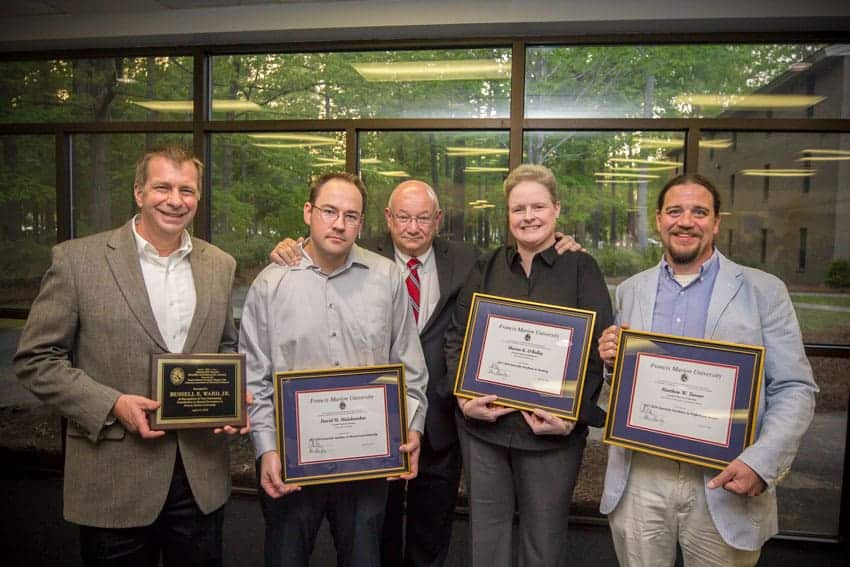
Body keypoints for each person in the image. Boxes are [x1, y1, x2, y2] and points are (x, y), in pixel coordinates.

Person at [269, 179, 583, 567]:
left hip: (438, 421)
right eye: (403, 217)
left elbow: (524, 251)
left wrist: (562, 241)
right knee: (372, 531)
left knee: (431, 532)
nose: (412, 227)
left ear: (437, 220)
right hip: (364, 427)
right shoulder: (363, 256)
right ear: (386, 218)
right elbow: (324, 245)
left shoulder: (471, 260)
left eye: (422, 218)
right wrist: (294, 245)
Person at [14, 145, 247, 566]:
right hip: (115, 477)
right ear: (139, 193)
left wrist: (231, 399)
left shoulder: (219, 265)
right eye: (162, 187)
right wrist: (112, 404)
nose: (175, 200)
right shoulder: (78, 261)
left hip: (200, 479)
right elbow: (36, 359)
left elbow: (225, 346)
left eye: (187, 190)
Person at [597, 173, 818, 566]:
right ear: (659, 220)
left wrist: (760, 462)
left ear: (716, 222)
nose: (686, 221)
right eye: (675, 211)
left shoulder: (763, 290)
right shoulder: (631, 290)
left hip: (724, 478)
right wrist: (614, 363)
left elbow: (794, 387)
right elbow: (625, 389)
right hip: (641, 480)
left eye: (699, 212)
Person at [241, 172, 429, 567]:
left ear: (362, 222)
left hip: (367, 462)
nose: (339, 223)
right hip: (291, 463)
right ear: (309, 212)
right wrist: (267, 449)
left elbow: (410, 368)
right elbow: (254, 377)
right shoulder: (270, 285)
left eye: (351, 215)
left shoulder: (386, 278)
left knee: (363, 558)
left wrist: (412, 428)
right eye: (329, 211)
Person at [443, 164, 613, 567]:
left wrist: (572, 417)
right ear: (507, 215)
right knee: (487, 543)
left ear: (556, 209)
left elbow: (598, 349)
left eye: (537, 206)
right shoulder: (486, 267)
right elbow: (457, 335)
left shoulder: (581, 268)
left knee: (544, 543)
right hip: (485, 432)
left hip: (550, 438)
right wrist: (464, 396)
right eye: (518, 209)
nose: (528, 216)